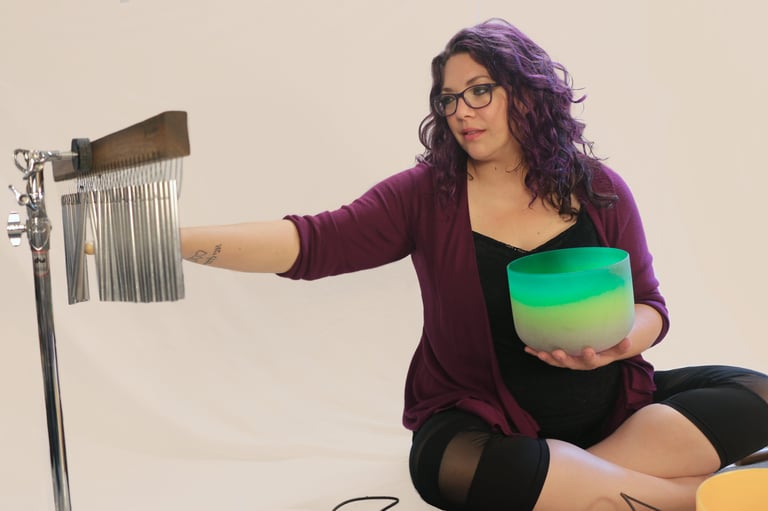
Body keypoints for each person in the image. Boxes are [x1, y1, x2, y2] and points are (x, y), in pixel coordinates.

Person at [180, 18, 768, 511]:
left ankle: (573, 487)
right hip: (488, 425)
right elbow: (307, 243)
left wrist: (618, 345)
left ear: (528, 92)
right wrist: (173, 239)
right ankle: (695, 499)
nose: (462, 111)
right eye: (448, 98)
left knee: (755, 395)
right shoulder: (425, 195)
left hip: (614, 414)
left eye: (479, 90)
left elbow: (651, 308)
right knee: (454, 468)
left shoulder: (598, 188)